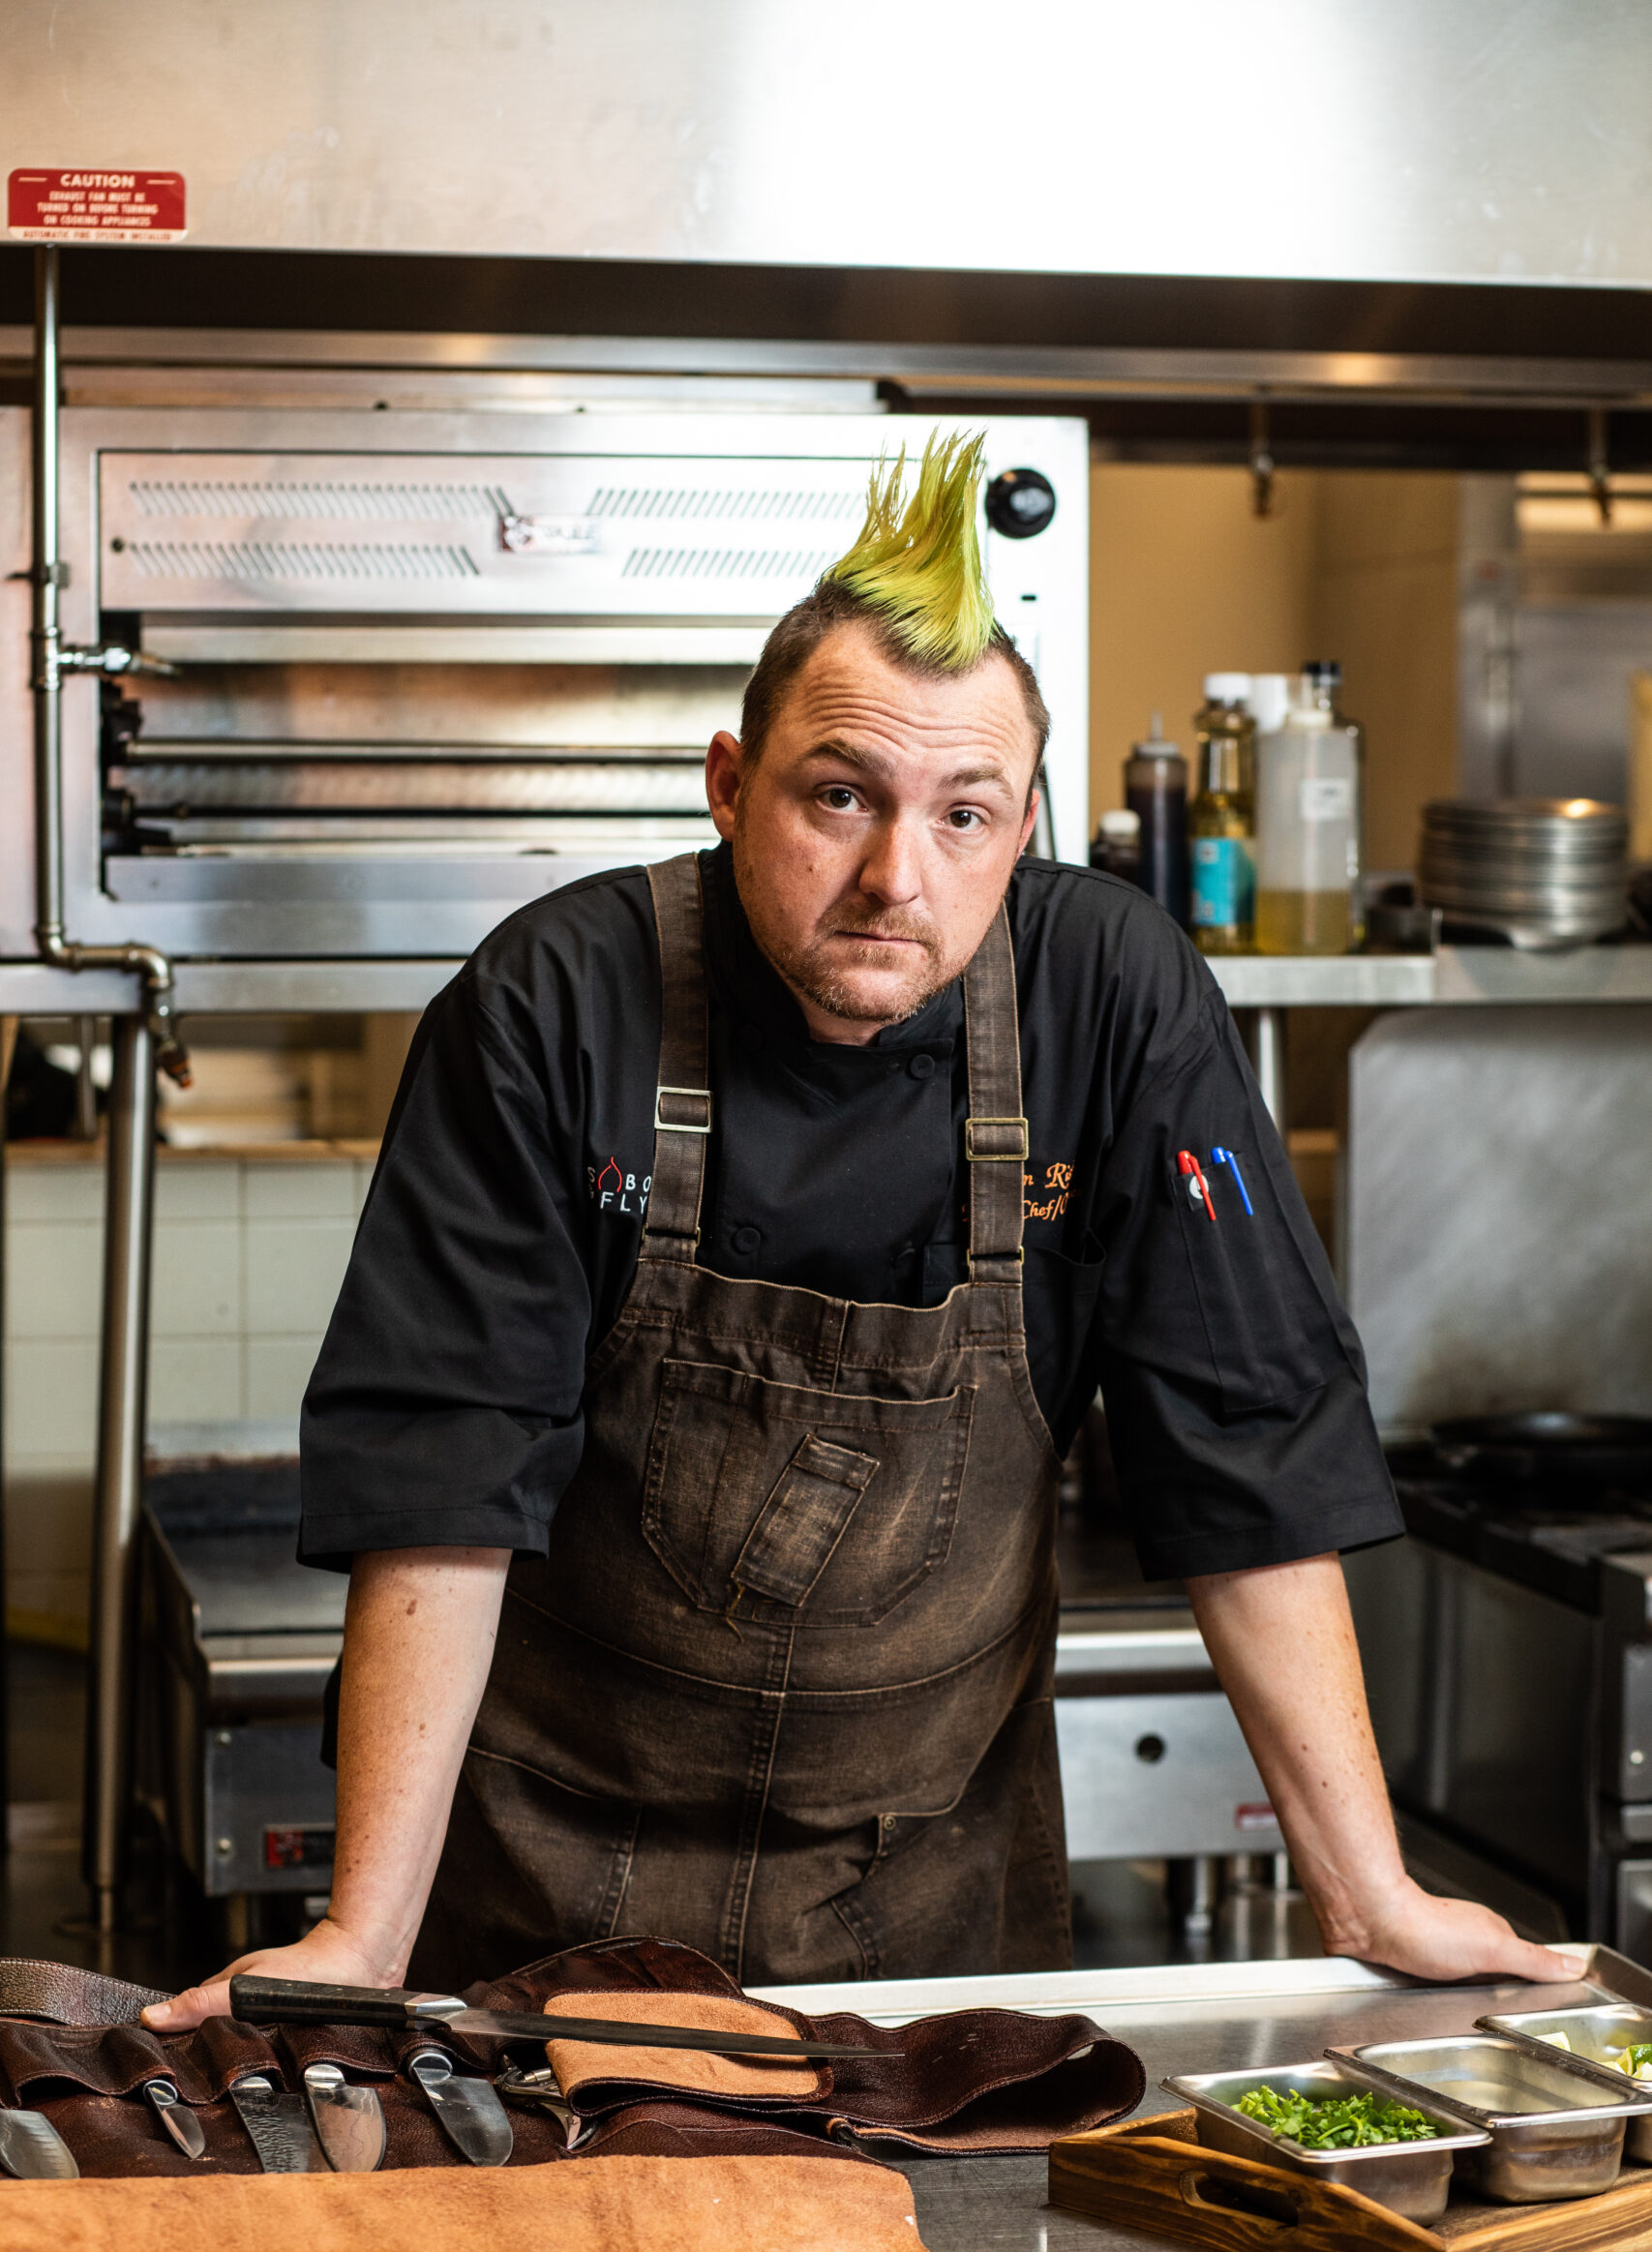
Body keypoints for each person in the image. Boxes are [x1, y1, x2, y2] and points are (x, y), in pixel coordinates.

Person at [148, 435, 1577, 2031]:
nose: (899, 875)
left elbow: (1243, 1447)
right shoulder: (552, 1002)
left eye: (968, 816)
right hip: (548, 1903)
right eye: (841, 796)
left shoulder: (1112, 998)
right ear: (727, 783)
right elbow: (445, 1474)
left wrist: (1368, 1891)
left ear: (1025, 822)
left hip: (939, 1925)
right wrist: (363, 1940)